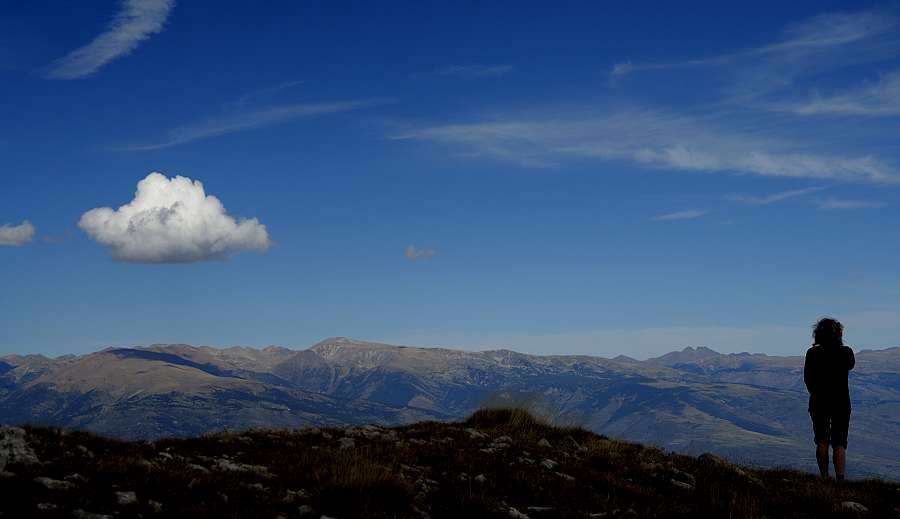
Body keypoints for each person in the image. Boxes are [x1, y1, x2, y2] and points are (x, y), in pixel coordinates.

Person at [803, 317, 855, 483]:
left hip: (819, 402)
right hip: (841, 402)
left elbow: (807, 379)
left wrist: (815, 394)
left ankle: (824, 478)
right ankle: (840, 479)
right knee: (840, 442)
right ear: (838, 334)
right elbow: (851, 365)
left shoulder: (812, 354)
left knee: (822, 440)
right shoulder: (846, 352)